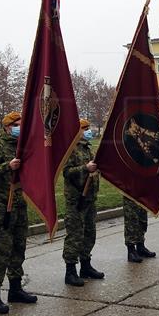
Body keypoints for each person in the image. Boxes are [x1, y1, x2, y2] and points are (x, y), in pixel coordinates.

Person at [0, 111, 38, 313]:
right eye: (17, 124)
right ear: (7, 126)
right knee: (1, 250)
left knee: (18, 248)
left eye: (22, 124)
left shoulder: (22, 146)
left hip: (20, 204)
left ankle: (15, 289)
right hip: (3, 205)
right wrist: (8, 166)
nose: (20, 127)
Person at [62, 119, 103, 286]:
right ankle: (70, 271)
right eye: (85, 129)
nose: (88, 131)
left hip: (89, 198)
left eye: (88, 128)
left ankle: (85, 265)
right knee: (75, 235)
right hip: (76, 199)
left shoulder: (87, 148)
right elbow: (66, 172)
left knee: (89, 233)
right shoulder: (70, 149)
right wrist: (85, 168)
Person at [123, 196, 156, 262]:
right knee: (131, 218)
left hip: (141, 190)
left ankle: (140, 247)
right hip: (130, 190)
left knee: (142, 217)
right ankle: (131, 251)